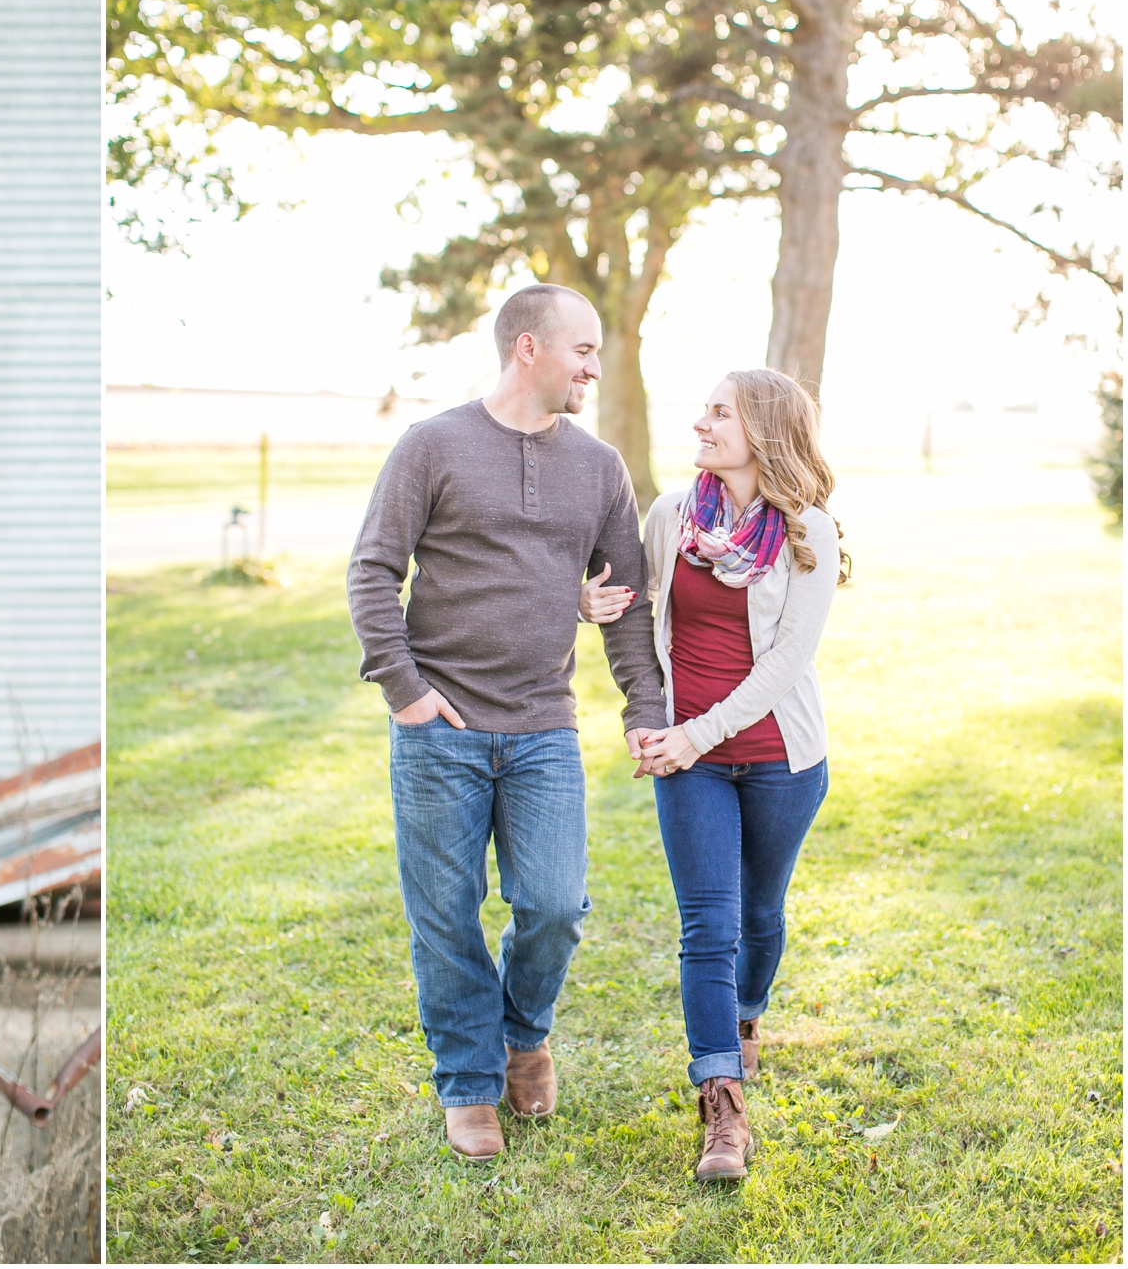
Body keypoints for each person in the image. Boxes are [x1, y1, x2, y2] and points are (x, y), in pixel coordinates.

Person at [346, 283, 667, 1162]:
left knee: (557, 904)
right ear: (529, 348)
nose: (596, 367)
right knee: (445, 913)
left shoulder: (600, 466)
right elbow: (373, 570)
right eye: (584, 350)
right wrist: (405, 689)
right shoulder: (433, 445)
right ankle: (468, 1082)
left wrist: (645, 707)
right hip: (439, 728)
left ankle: (526, 1034)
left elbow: (629, 604)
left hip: (542, 725)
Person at [581, 369, 846, 1182]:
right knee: (708, 925)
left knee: (761, 915)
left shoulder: (808, 529)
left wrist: (693, 734)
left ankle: (748, 1015)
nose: (700, 422)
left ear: (761, 429)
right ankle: (722, 1107)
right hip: (687, 761)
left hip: (777, 759)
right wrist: (585, 603)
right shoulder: (673, 515)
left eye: (718, 412)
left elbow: (783, 669)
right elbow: (630, 604)